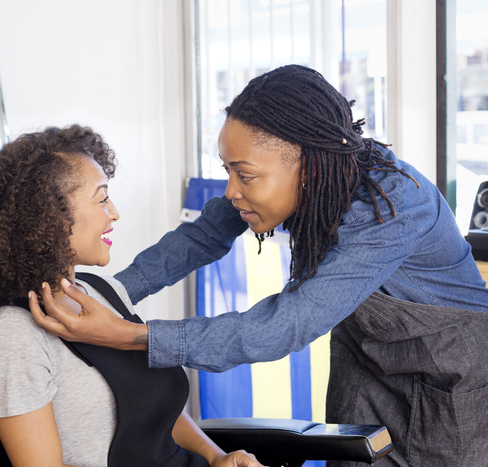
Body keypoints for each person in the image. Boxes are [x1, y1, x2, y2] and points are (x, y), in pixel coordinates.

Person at [29, 65, 488, 466]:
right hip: (369, 367)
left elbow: (289, 322)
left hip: (450, 380)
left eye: (244, 174)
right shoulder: (292, 181)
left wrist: (130, 335)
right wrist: (97, 295)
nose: (231, 190)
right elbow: (200, 238)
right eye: (228, 169)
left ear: (307, 164)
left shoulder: (392, 206)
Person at [0, 125, 261, 467]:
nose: (115, 212)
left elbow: (156, 409)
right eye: (102, 198)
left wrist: (216, 456)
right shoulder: (14, 337)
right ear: (52, 217)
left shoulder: (102, 292)